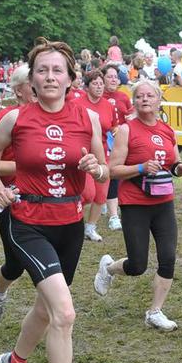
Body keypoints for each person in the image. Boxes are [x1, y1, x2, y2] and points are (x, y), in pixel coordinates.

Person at [0, 38, 107, 363]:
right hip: (28, 223)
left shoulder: (89, 118)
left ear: (70, 78)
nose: (50, 77)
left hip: (70, 224)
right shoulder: (16, 119)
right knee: (64, 313)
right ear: (31, 80)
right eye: (42, 70)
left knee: (46, 310)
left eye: (57, 71)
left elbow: (104, 170)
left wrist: (96, 168)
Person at [94, 79, 182, 330]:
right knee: (138, 265)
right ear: (134, 101)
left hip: (163, 203)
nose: (144, 99)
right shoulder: (127, 130)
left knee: (168, 258)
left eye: (150, 95)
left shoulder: (167, 130)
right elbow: (112, 170)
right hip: (135, 203)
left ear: (159, 100)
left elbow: (173, 165)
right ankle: (109, 268)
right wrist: (140, 167)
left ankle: (155, 312)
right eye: (139, 96)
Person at [0, 65, 34, 324]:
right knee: (15, 265)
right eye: (30, 81)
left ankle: (53, 317)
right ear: (18, 90)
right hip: (11, 199)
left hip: (46, 201)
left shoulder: (52, 118)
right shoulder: (7, 117)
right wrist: (29, 167)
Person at [78, 69, 116, 242]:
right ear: (87, 87)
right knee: (87, 194)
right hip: (82, 153)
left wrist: (119, 133)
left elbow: (113, 126)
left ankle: (90, 227)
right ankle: (73, 222)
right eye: (95, 84)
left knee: (101, 195)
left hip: (102, 153)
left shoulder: (108, 105)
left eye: (101, 84)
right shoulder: (77, 103)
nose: (99, 87)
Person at [102, 63, 132, 231]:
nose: (113, 79)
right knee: (108, 174)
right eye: (110, 76)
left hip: (122, 140)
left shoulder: (123, 96)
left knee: (120, 174)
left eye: (115, 77)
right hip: (103, 141)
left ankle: (114, 209)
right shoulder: (99, 96)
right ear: (103, 79)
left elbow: (130, 116)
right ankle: (110, 211)